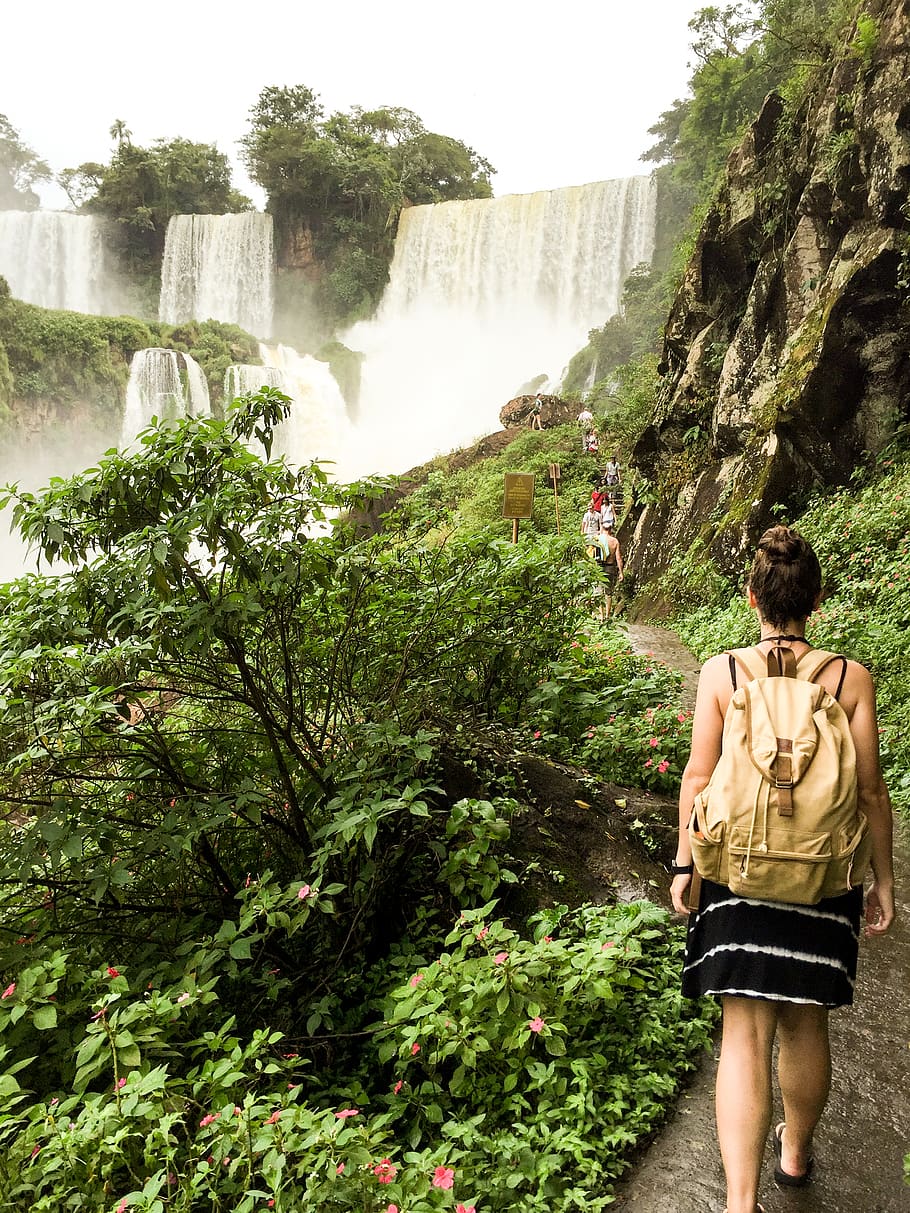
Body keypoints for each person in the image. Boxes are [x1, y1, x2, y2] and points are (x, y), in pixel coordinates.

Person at [670, 526, 895, 1213]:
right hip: (823, 876)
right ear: (817, 598)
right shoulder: (850, 677)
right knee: (804, 1019)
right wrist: (882, 880)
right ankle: (794, 1153)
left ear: (751, 596)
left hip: (738, 874)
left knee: (743, 1029)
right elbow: (870, 791)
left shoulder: (722, 672)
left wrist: (685, 860)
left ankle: (740, 1203)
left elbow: (699, 774)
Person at [594, 519, 623, 621]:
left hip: (598, 567)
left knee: (599, 592)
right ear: (610, 529)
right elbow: (618, 558)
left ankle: (601, 616)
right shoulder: (614, 541)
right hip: (610, 567)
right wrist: (621, 572)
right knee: (608, 593)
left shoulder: (597, 539)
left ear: (602, 528)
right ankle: (607, 616)